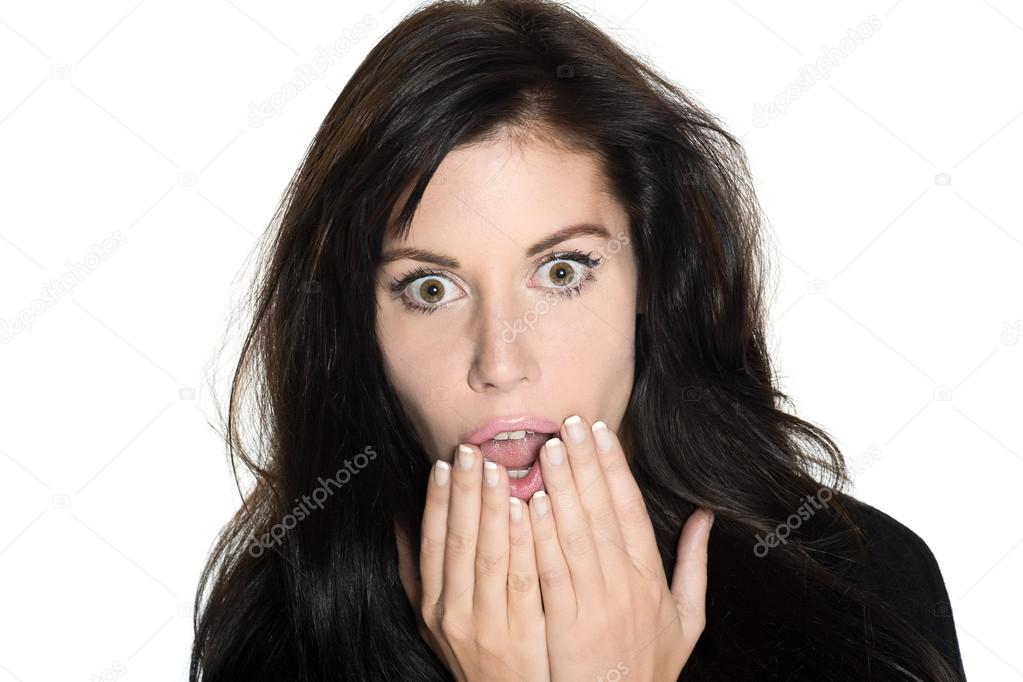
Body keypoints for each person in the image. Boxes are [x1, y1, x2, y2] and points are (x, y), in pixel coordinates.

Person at [189, 0, 967, 679]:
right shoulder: (281, 626)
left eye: (561, 272)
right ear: (357, 321)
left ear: (651, 278)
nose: (501, 363)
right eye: (429, 288)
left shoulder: (861, 587)